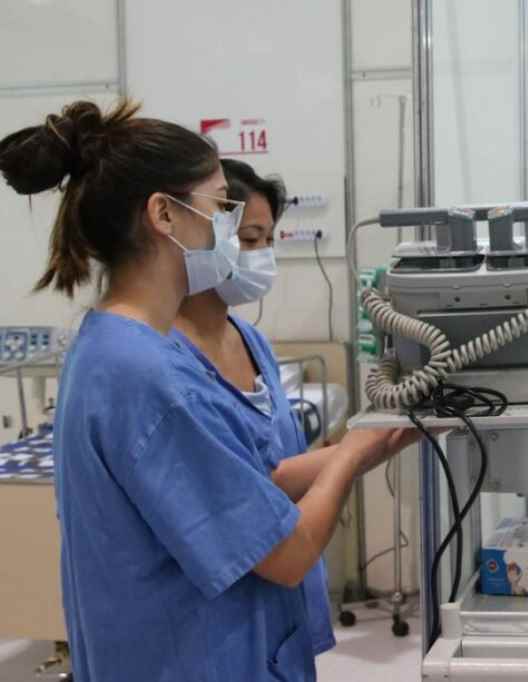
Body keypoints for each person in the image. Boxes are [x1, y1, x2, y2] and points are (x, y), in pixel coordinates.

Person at [0, 99, 417, 681]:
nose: (231, 228)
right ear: (163, 215)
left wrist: (374, 441)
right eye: (221, 206)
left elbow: (247, 486)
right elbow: (287, 554)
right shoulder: (148, 375)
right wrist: (348, 459)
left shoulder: (113, 348)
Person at [170, 158, 336, 657]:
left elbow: (276, 470)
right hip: (219, 609)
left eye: (268, 240)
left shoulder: (250, 340)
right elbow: (240, 493)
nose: (261, 255)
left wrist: (371, 440)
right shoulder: (167, 359)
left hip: (281, 589)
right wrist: (352, 456)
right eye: (248, 239)